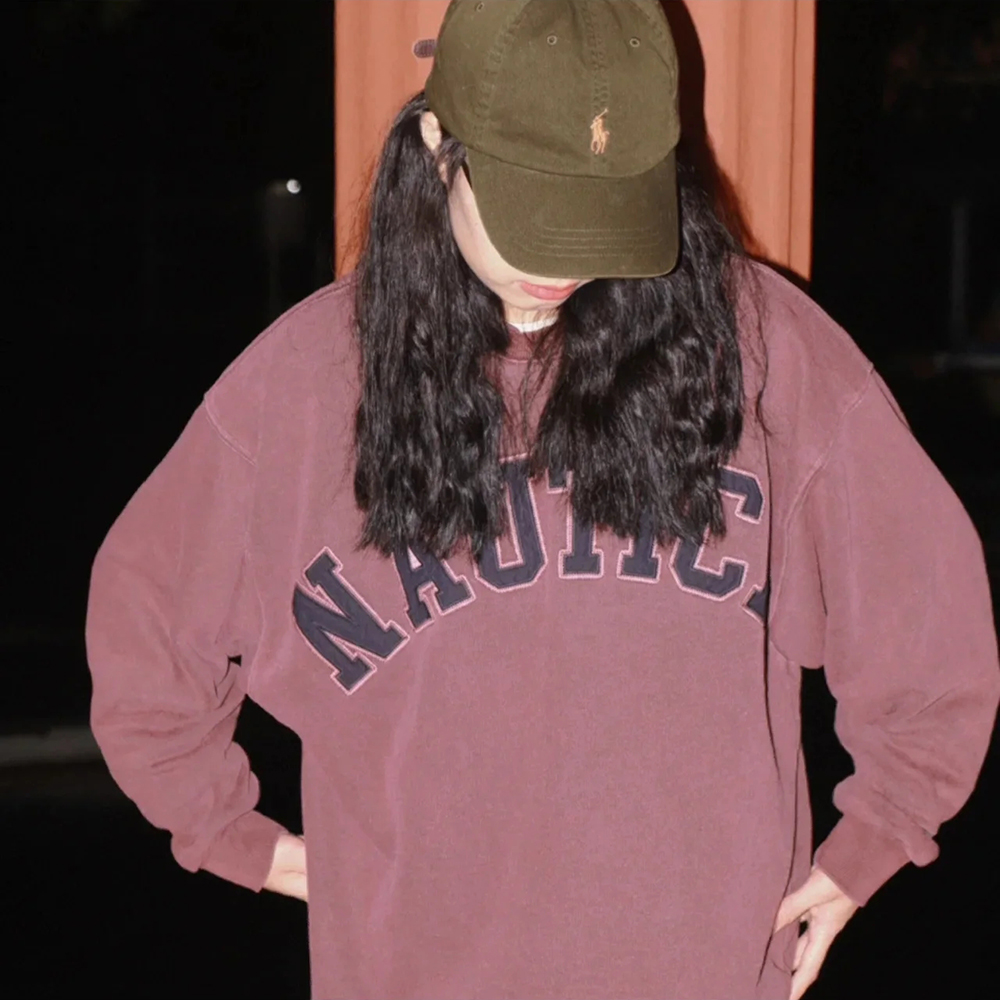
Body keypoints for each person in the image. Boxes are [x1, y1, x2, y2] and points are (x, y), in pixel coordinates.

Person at [85, 2, 1000, 999]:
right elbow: (147, 623)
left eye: (601, 215)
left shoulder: (761, 349)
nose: (563, 262)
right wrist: (235, 834)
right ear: (437, 147)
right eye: (533, 211)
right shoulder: (306, 385)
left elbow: (924, 609)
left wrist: (877, 833)